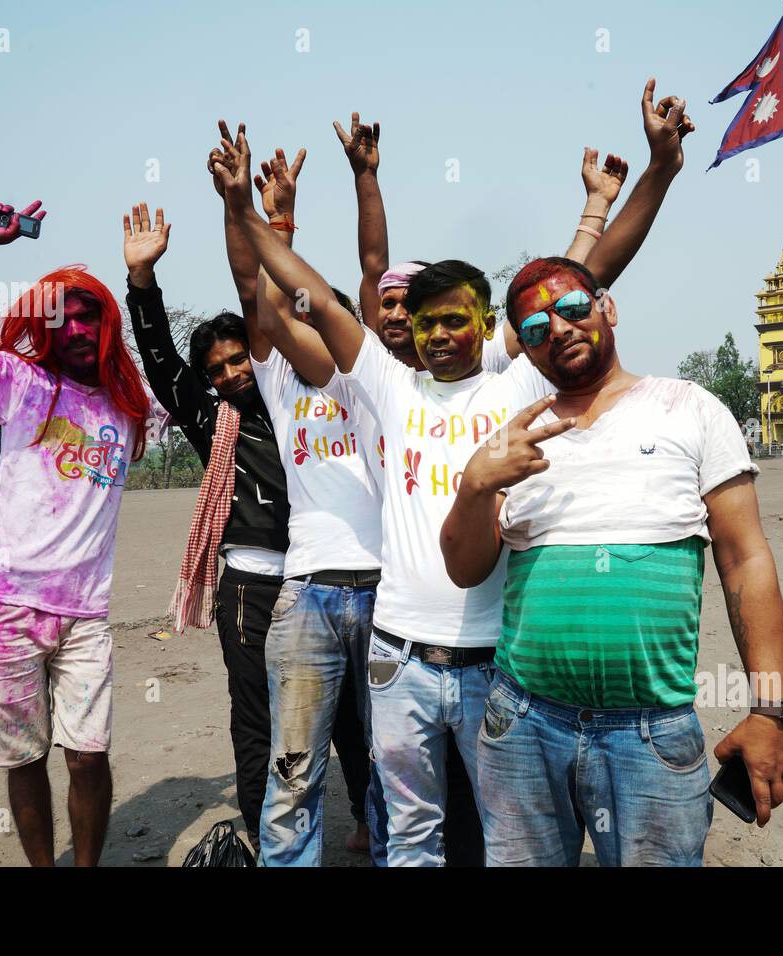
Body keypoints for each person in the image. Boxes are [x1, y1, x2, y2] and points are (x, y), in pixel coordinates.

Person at [220, 78, 694, 864]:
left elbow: (589, 268)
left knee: (512, 839)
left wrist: (658, 171)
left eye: (453, 320)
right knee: (410, 838)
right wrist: (246, 207)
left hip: (496, 671)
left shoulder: (517, 379)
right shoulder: (386, 386)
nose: (437, 335)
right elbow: (306, 292)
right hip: (396, 659)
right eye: (426, 321)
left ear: (487, 325)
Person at [439, 255, 783, 865]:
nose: (557, 330)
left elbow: (746, 561)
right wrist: (474, 485)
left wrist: (770, 711)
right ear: (525, 350)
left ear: (607, 308)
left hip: (650, 732)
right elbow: (465, 569)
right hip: (521, 723)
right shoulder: (515, 440)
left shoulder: (690, 409)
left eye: (572, 309)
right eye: (533, 329)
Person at [122, 153, 372, 856]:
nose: (232, 373)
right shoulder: (211, 421)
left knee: (351, 710)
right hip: (250, 584)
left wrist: (273, 218)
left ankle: (364, 820)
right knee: (256, 714)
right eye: (218, 369)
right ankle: (271, 836)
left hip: (326, 577)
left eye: (239, 360)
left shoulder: (294, 399)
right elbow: (160, 359)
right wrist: (142, 280)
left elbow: (274, 298)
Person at [0, 201, 161, 866]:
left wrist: (141, 282)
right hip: (5, 605)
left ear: (106, 324)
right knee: (24, 757)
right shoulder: (19, 383)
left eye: (89, 315)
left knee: (88, 755)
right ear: (45, 326)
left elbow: (179, 374)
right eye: (63, 317)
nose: (76, 327)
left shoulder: (131, 410)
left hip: (85, 614)